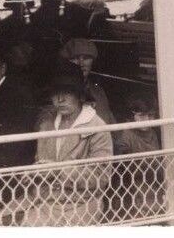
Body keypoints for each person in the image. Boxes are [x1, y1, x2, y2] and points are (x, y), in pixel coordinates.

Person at [6, 63, 113, 226]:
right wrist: (32, 174)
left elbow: (101, 178)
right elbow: (40, 163)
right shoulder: (46, 124)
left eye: (67, 92)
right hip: (43, 199)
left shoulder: (97, 127)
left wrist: (56, 171)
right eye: (55, 93)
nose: (60, 99)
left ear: (80, 95)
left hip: (80, 203)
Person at [59, 37, 116, 126]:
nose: (81, 63)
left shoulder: (98, 92)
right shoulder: (57, 92)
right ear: (67, 62)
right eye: (75, 58)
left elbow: (110, 123)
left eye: (86, 58)